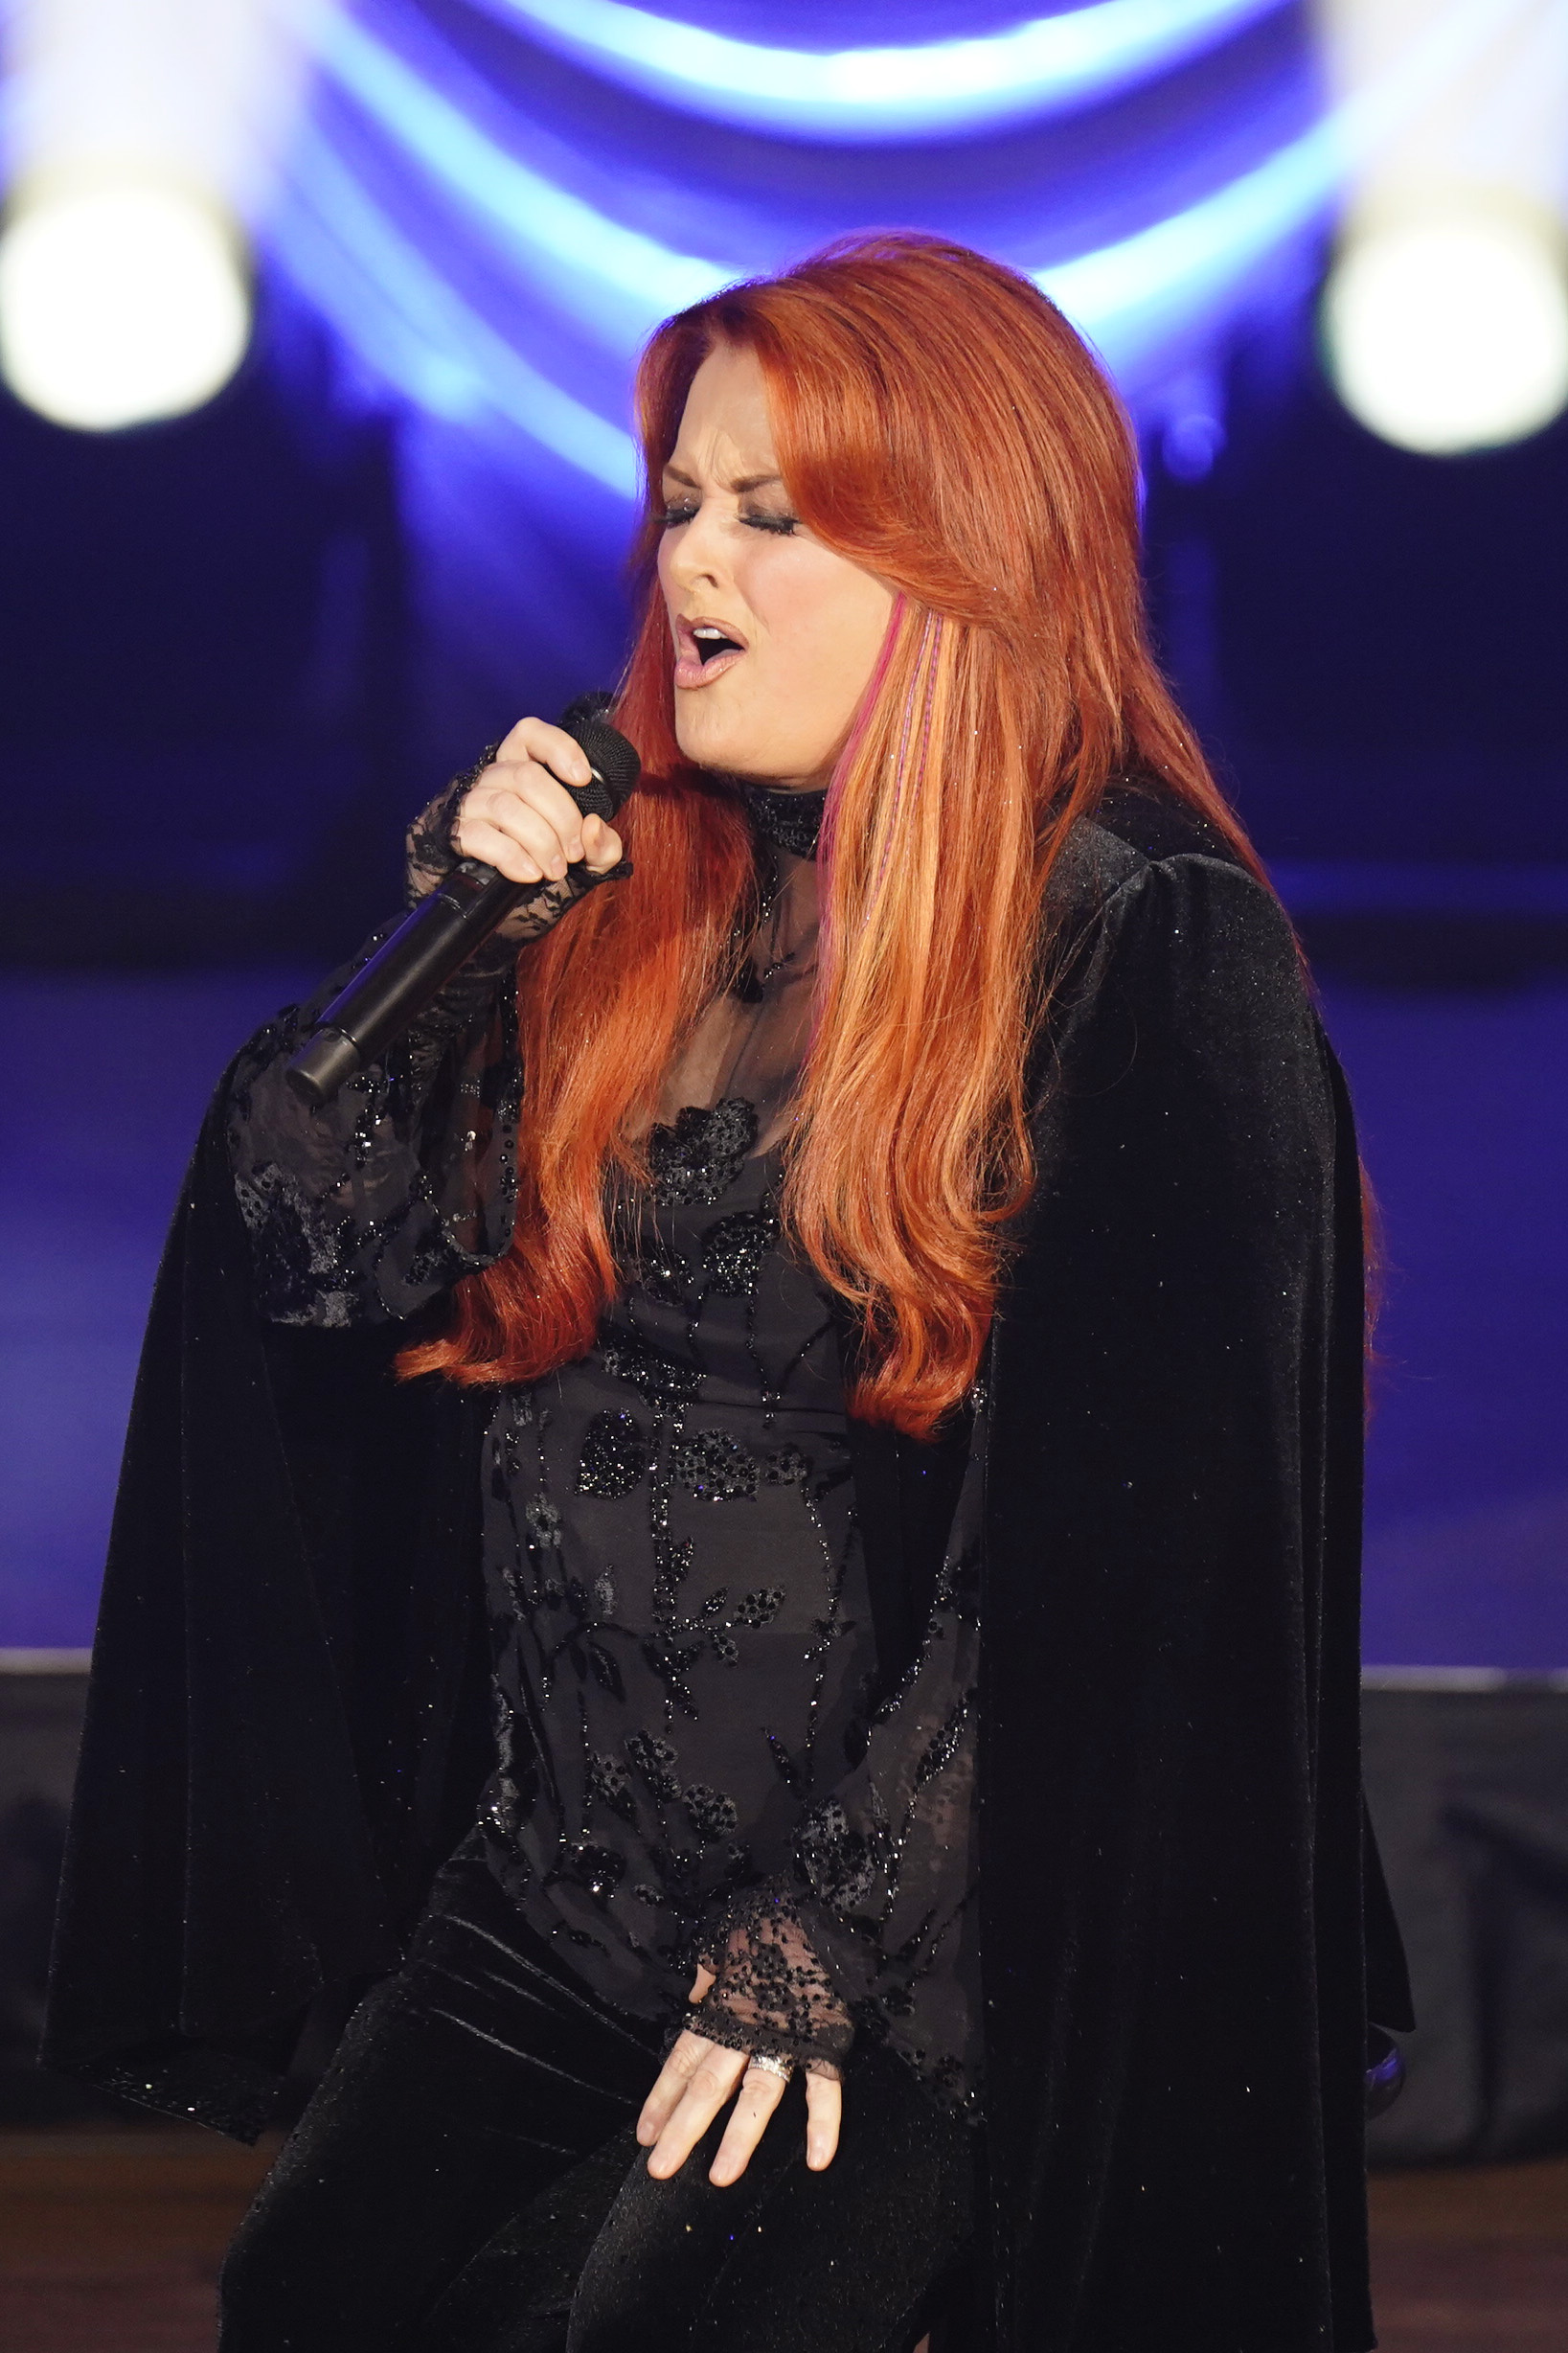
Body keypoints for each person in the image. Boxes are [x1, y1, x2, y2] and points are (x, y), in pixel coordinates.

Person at [43, 234, 1412, 2352]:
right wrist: (470, 934)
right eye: (685, 502)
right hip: (565, 1894)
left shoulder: (1136, 939)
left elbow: (1125, 1556)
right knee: (312, 2293)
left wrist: (829, 1942)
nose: (700, 566)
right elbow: (312, 1244)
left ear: (962, 558)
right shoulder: (641, 897)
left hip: (910, 1933)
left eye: (778, 519)